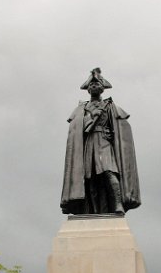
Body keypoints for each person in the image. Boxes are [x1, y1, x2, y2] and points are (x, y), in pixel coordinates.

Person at [60, 68, 141, 215]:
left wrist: (113, 135)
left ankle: (118, 204)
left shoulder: (109, 106)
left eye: (97, 84)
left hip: (104, 142)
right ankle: (93, 211)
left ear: (102, 88)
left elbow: (120, 125)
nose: (93, 86)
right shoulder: (82, 108)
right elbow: (77, 128)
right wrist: (88, 120)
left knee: (109, 172)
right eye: (91, 85)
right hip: (88, 144)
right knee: (90, 179)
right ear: (88, 89)